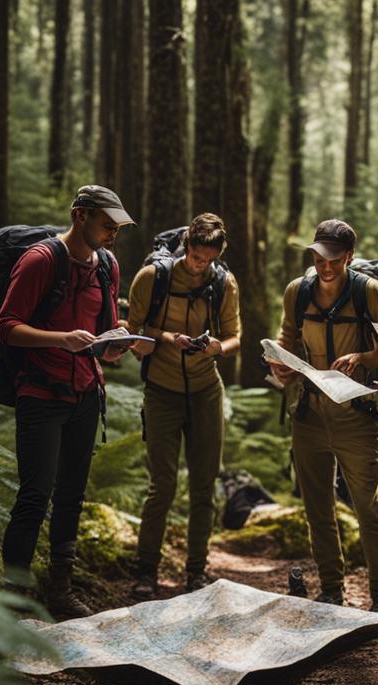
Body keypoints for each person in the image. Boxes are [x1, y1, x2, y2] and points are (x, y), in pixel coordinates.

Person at [0, 184, 135, 618]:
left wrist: (116, 344)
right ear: (80, 216)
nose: (113, 234)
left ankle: (60, 590)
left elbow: (104, 335)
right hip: (41, 391)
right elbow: (6, 326)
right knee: (35, 495)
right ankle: (13, 598)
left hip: (86, 393)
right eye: (106, 225)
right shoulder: (40, 260)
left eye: (117, 228)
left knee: (71, 494)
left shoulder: (106, 266)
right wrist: (63, 340)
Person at [269, 220, 378, 611]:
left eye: (334, 260)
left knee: (367, 505)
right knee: (317, 507)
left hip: (356, 412)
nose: (325, 267)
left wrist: (361, 357)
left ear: (350, 258)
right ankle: (331, 588)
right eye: (319, 258)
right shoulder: (297, 291)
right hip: (309, 411)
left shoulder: (369, 292)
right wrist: (280, 366)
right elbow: (286, 339)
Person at [126, 213, 241, 597]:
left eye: (207, 259)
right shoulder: (153, 278)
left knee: (204, 485)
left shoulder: (223, 283)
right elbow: (133, 327)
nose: (198, 265)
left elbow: (235, 337)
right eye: (194, 255)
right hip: (161, 389)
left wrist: (216, 348)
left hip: (206, 391)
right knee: (162, 484)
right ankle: (145, 571)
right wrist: (165, 337)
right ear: (186, 244)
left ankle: (196, 571)